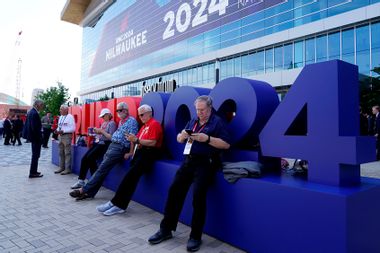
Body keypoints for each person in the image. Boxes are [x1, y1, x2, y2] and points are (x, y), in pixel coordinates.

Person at [148, 95, 230, 252]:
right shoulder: (193, 121)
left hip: (206, 163)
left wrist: (207, 139)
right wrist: (182, 136)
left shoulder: (217, 122)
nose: (199, 113)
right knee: (174, 192)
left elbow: (226, 144)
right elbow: (179, 139)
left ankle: (195, 236)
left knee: (198, 197)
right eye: (197, 110)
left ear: (210, 108)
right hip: (188, 162)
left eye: (203, 110)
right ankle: (166, 230)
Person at [96, 104, 163, 216]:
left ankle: (118, 204)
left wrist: (136, 140)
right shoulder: (144, 126)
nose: (140, 117)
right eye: (139, 115)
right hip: (141, 154)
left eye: (142, 114)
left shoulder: (154, 124)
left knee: (129, 179)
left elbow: (153, 142)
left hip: (148, 155)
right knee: (128, 180)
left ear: (149, 113)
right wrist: (134, 145)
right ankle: (115, 203)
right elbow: (139, 141)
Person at [69, 102, 138, 200]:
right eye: (117, 110)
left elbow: (132, 137)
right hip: (113, 146)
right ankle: (90, 193)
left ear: (126, 110)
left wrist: (131, 152)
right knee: (102, 170)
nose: (118, 112)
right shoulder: (121, 121)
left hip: (120, 147)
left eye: (120, 110)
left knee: (101, 169)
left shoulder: (131, 121)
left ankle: (83, 190)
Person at [71, 108, 117, 189]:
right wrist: (95, 134)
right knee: (85, 158)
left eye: (103, 116)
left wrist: (101, 131)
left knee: (90, 158)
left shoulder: (112, 123)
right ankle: (86, 180)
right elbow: (101, 136)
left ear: (108, 115)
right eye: (102, 116)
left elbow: (111, 137)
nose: (102, 118)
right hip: (98, 143)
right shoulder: (104, 123)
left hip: (105, 145)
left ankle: (93, 180)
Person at [24, 100, 44, 178]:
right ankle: (32, 173)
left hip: (33, 137)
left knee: (35, 155)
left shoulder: (31, 112)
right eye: (41, 105)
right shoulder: (34, 113)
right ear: (37, 105)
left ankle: (34, 171)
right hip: (36, 138)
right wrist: (40, 137)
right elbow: (35, 128)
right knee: (35, 155)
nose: (42, 107)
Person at [54, 105, 76, 175]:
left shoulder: (70, 117)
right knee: (61, 152)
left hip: (67, 136)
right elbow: (59, 127)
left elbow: (73, 128)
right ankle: (61, 167)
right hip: (60, 136)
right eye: (60, 109)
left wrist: (63, 131)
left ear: (66, 110)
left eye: (61, 109)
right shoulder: (61, 117)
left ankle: (67, 169)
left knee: (67, 153)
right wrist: (56, 130)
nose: (60, 111)